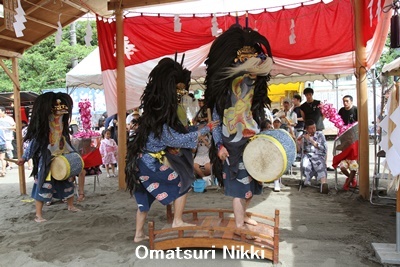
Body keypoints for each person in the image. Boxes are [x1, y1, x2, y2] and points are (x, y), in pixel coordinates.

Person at [125, 57, 218, 242]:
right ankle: (177, 220)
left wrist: (201, 128)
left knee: (144, 200)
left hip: (141, 164)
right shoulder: (160, 121)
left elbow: (181, 131)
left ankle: (138, 235)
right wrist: (205, 129)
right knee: (182, 182)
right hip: (149, 164)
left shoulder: (158, 117)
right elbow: (175, 139)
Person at [204, 25, 274, 231]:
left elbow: (264, 64)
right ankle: (239, 222)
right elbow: (216, 123)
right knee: (237, 187)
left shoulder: (254, 83)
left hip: (251, 137)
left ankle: (244, 215)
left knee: (253, 183)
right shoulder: (221, 95)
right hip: (230, 142)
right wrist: (219, 146)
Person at [16, 92, 81, 223]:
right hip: (46, 160)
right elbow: (34, 144)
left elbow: (65, 142)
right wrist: (24, 157)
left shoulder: (62, 128)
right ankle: (38, 215)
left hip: (61, 157)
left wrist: (74, 154)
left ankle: (71, 205)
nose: (60, 114)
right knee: (42, 185)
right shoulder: (43, 131)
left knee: (68, 181)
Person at [300, 88, 334, 171]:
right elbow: (303, 117)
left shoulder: (318, 103)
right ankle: (311, 163)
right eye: (306, 95)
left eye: (309, 94)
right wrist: (309, 126)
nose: (308, 96)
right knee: (310, 147)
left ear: (312, 94)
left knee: (323, 146)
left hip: (318, 127)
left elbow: (324, 113)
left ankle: (324, 164)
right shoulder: (302, 106)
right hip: (308, 128)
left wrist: (319, 121)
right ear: (305, 96)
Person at [297, 119, 329, 194]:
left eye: (314, 127)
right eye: (311, 128)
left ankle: (323, 183)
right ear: (306, 129)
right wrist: (298, 142)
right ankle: (307, 179)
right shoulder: (303, 136)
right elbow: (299, 150)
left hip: (318, 154)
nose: (313, 130)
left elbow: (323, 148)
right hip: (307, 155)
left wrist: (311, 140)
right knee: (304, 164)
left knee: (319, 164)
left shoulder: (320, 134)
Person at [337, 95, 358, 190]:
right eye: (344, 101)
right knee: (343, 164)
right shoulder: (341, 110)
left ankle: (348, 182)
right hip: (344, 137)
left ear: (351, 102)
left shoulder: (356, 110)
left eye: (347, 101)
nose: (345, 103)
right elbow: (337, 121)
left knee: (354, 162)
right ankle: (351, 178)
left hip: (354, 139)